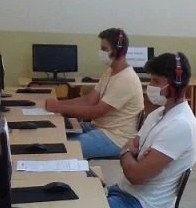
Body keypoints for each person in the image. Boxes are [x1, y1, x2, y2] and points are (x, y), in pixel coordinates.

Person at [107, 52, 196, 208]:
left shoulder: (181, 125)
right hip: (125, 192)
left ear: (176, 86)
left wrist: (126, 152)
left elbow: (135, 175)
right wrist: (132, 154)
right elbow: (132, 148)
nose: (150, 86)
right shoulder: (157, 114)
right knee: (77, 199)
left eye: (156, 81)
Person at [45, 28, 144, 159]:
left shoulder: (126, 79)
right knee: (53, 133)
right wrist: (58, 103)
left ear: (117, 50)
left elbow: (96, 111)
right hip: (99, 128)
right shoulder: (110, 71)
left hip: (115, 138)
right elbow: (88, 100)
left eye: (104, 49)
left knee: (60, 148)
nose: (101, 53)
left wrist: (59, 108)